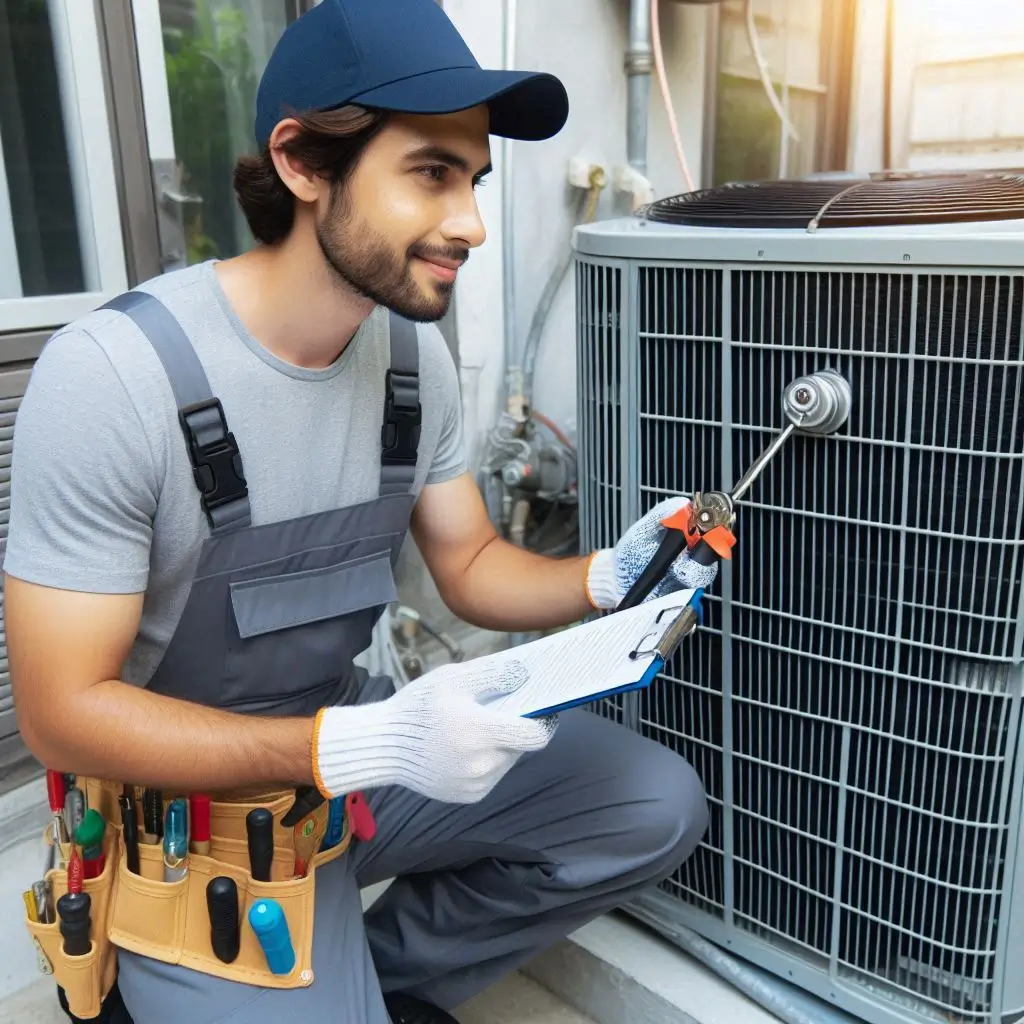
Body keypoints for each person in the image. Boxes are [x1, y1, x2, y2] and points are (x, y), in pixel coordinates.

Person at [4, 1, 716, 1022]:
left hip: (360, 755)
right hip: (194, 823)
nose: (469, 220)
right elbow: (60, 712)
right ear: (302, 162)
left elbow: (467, 560)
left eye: (471, 181)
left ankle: (377, 976)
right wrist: (350, 747)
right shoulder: (116, 377)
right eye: (430, 172)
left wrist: (607, 574)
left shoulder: (408, 363)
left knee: (649, 805)